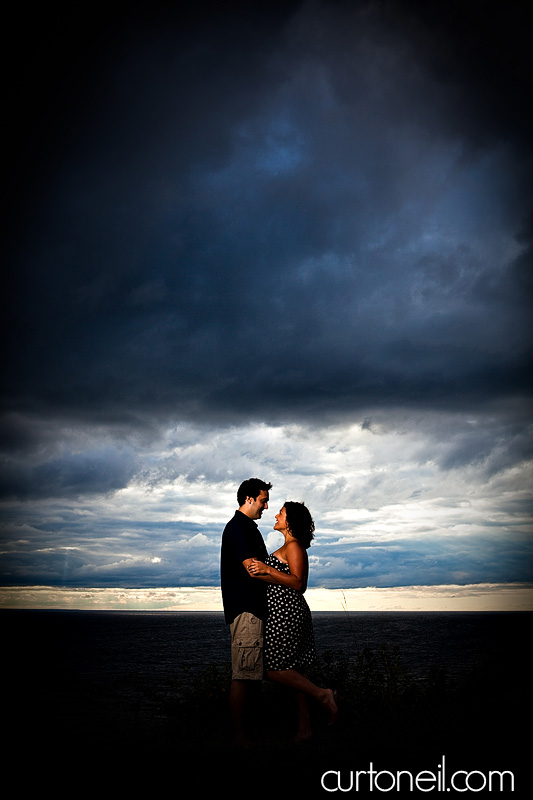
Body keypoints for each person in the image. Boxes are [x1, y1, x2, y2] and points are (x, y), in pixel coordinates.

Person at [248, 501, 338, 741]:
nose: (275, 515)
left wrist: (267, 570)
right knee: (296, 671)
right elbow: (282, 580)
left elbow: (299, 583)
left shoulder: (295, 546)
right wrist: (264, 573)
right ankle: (304, 729)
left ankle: (323, 695)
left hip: (288, 613)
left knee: (272, 669)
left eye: (281, 513)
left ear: (290, 522)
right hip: (281, 612)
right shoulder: (287, 546)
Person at [220, 477, 272, 746]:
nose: (265, 506)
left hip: (252, 610)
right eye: (263, 501)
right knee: (243, 675)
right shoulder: (238, 527)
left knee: (251, 675)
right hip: (246, 610)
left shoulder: (247, 527)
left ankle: (248, 736)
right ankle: (241, 740)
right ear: (249, 499)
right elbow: (253, 567)